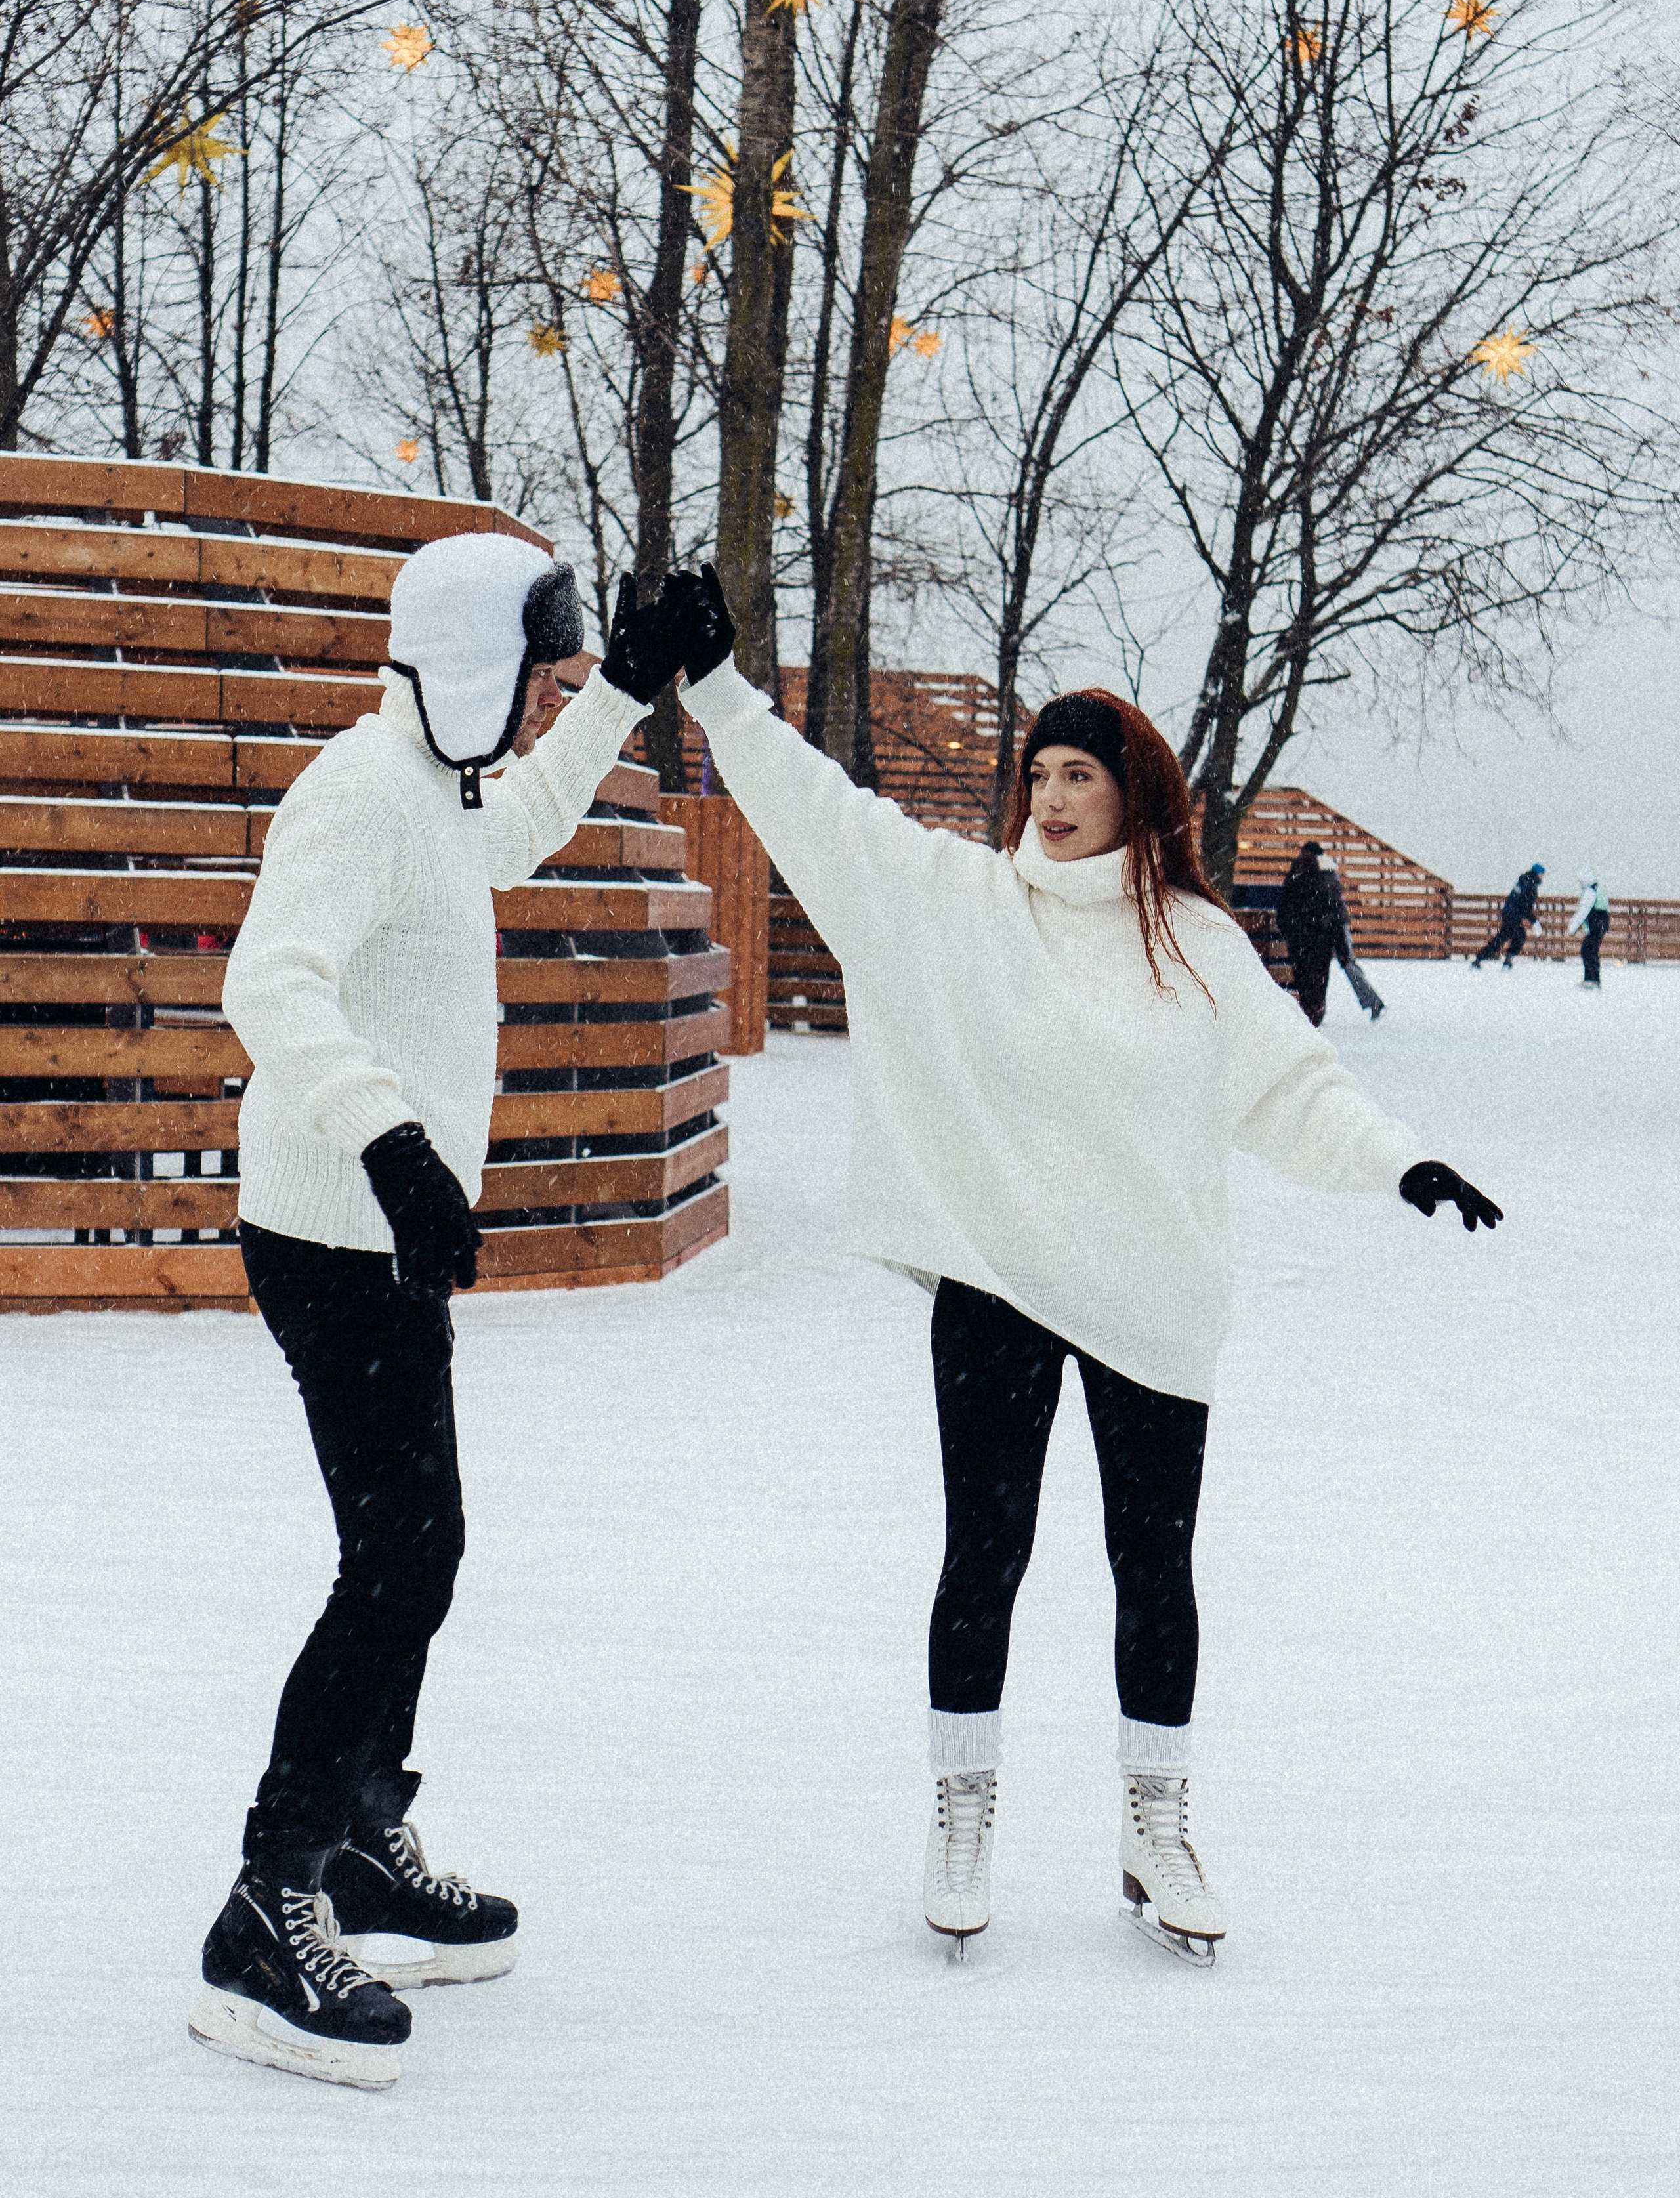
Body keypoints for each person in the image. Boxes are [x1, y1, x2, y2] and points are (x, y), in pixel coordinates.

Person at [664, 566, 1501, 1968]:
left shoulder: (1194, 945)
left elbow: (1294, 1085)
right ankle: (961, 1812)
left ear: (1134, 793)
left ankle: (1155, 1825)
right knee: (981, 1557)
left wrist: (1397, 1161)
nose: (1050, 798)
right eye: (1038, 773)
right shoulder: (961, 904)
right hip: (996, 1279)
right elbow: (822, 813)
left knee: (1152, 1566)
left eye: (1079, 775)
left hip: (1149, 1293)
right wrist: (717, 690)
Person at [190, 536, 690, 2088]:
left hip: (384, 1242)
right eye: (540, 672)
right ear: (472, 660)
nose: (542, 698)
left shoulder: (439, 788)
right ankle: (271, 1900)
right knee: (400, 1557)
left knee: (419, 1549)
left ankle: (356, 1835)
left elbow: (513, 837)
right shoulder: (358, 793)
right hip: (331, 1233)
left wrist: (619, 691)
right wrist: (392, 1142)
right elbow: (268, 980)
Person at [1274, 841, 1343, 1028]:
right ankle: (1316, 1014)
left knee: (1303, 978)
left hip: (1299, 939)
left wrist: (1289, 930)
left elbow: (1284, 908)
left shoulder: (1296, 874)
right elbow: (1337, 911)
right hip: (1322, 939)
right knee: (1319, 980)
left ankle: (1307, 1013)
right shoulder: (1329, 875)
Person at [1324, 857, 1385, 1021]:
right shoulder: (1332, 879)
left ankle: (1373, 1001)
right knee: (1349, 965)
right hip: (1337, 927)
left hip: (1333, 928)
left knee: (1347, 965)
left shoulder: (1324, 881)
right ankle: (1372, 1001)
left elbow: (1332, 908)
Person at [1472, 865, 1545, 969]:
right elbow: (1525, 907)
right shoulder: (1530, 886)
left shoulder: (1524, 881)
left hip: (1508, 912)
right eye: (1541, 874)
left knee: (1503, 937)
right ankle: (1508, 959)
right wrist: (1534, 921)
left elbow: (1519, 902)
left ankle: (1480, 958)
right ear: (1537, 874)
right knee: (1519, 936)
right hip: (1514, 914)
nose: (1542, 877)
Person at [1568, 867, 1611, 988]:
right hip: (1600, 924)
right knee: (1591, 950)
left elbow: (1583, 911)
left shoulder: (1590, 892)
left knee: (1588, 951)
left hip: (1596, 924)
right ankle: (1593, 978)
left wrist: (1573, 927)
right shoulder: (1598, 888)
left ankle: (1591, 979)